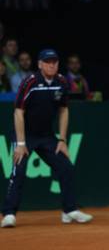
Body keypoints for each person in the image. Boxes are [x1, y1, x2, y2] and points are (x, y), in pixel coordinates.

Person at [1, 49, 93, 228]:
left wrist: (62, 140)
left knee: (65, 166)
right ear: (40, 64)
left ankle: (69, 211)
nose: (51, 65)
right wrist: (20, 143)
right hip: (25, 135)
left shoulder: (61, 82)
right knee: (18, 172)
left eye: (54, 62)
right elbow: (18, 112)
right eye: (47, 62)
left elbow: (64, 110)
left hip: (47, 136)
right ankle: (9, 214)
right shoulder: (30, 82)